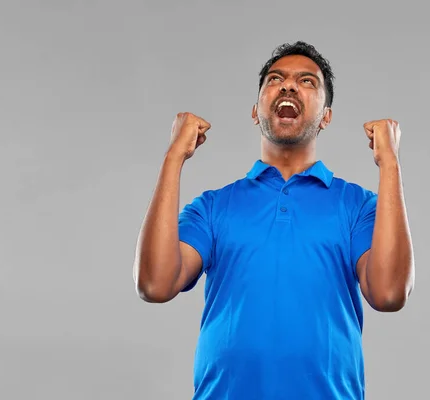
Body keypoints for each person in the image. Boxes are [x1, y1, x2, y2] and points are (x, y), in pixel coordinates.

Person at [133, 41, 415, 399]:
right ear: (255, 111)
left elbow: (389, 294)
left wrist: (390, 164)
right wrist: (173, 157)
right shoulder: (214, 206)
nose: (288, 85)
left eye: (307, 82)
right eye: (275, 78)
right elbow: (155, 285)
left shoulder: (358, 206)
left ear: (326, 116)